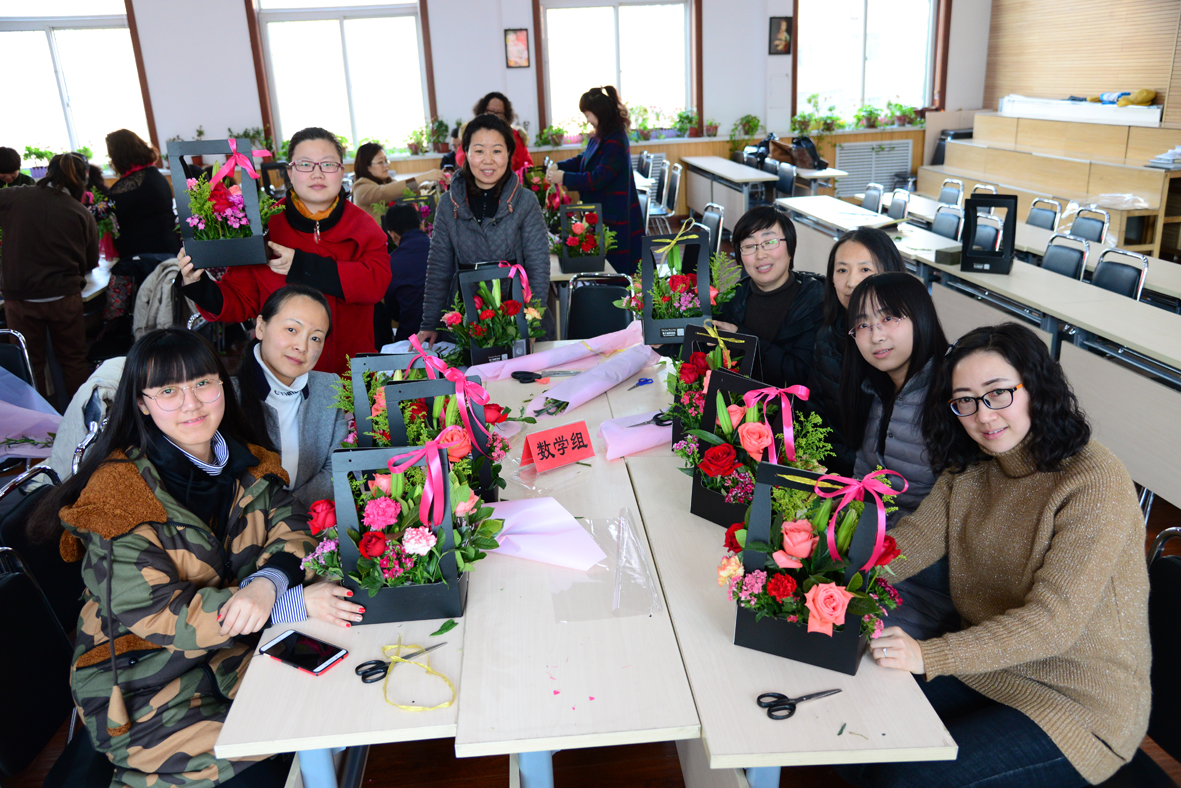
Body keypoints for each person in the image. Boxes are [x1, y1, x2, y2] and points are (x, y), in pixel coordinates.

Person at [28, 328, 364, 788]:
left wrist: (267, 584)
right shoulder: (116, 499)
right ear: (142, 403)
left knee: (346, 702)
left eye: (203, 383)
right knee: (292, 744)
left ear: (222, 386)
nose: (191, 403)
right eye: (168, 390)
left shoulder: (246, 463)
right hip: (148, 686)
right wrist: (291, 603)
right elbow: (170, 618)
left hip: (236, 655)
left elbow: (293, 526)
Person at [844, 322, 1151, 788]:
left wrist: (929, 655)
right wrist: (814, 573)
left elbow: (1053, 623)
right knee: (864, 734)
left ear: (1036, 389)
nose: (983, 415)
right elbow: (903, 548)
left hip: (1076, 703)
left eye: (998, 393)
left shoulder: (1093, 479)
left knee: (909, 777)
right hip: (992, 669)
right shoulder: (971, 469)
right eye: (964, 400)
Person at [179, 126, 391, 375]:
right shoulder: (264, 226)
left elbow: (375, 283)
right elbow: (242, 300)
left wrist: (301, 266)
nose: (317, 173)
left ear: (342, 171)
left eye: (328, 164)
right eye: (304, 164)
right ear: (289, 172)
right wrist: (199, 285)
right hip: (282, 376)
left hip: (350, 373)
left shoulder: (364, 226)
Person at [839, 271, 956, 640]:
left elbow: (953, 532)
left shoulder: (951, 395)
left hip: (926, 580)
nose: (876, 335)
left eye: (889, 318)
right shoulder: (875, 390)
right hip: (874, 561)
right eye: (862, 324)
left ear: (920, 316)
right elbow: (862, 488)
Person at [417, 113, 550, 345]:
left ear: (509, 154)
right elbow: (439, 266)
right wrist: (429, 323)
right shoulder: (449, 204)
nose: (488, 160)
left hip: (516, 316)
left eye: (497, 151)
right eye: (479, 151)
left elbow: (538, 267)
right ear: (465, 153)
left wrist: (531, 323)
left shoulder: (525, 201)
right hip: (467, 321)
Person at [235, 285, 348, 507]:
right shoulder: (227, 394)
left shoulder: (329, 387)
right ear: (260, 327)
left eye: (315, 338)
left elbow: (338, 465)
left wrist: (289, 514)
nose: (302, 346)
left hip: (310, 525)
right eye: (291, 330)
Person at [808, 227, 907, 476]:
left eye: (865, 269)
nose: (851, 283)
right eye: (842, 270)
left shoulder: (907, 341)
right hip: (838, 476)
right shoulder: (827, 338)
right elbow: (816, 415)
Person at [0, 151, 98, 400]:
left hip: (21, 297)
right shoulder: (80, 212)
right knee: (73, 359)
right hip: (64, 297)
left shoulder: (15, 196)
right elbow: (90, 262)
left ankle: (39, 428)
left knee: (30, 365)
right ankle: (82, 421)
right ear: (81, 181)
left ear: (49, 173)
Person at [711, 205, 824, 387]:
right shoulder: (735, 297)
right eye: (749, 246)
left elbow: (801, 375)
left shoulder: (818, 304)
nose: (760, 254)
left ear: (790, 248)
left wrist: (743, 341)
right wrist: (665, 342)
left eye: (770, 242)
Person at [545, 85, 643, 275]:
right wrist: (560, 166)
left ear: (600, 113)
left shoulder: (616, 140)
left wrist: (564, 178)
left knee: (615, 270)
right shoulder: (601, 136)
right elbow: (583, 160)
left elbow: (599, 178)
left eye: (588, 114)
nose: (587, 120)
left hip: (613, 216)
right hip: (603, 211)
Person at [104, 129, 181, 259]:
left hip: (146, 256)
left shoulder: (132, 183)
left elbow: (102, 209)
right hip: (167, 248)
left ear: (119, 155)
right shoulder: (153, 175)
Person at [350, 142, 444, 222]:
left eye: (386, 160)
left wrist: (435, 184)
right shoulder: (360, 187)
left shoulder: (388, 181)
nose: (386, 165)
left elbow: (412, 190)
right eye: (380, 162)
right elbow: (385, 192)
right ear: (367, 167)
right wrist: (425, 176)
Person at [382, 202, 430, 341]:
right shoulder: (444, 250)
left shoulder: (391, 263)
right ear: (421, 225)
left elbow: (393, 312)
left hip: (411, 341)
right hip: (453, 336)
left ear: (392, 235)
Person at [455, 92, 534, 173]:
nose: (495, 115)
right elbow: (461, 158)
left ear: (505, 115)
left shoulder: (514, 136)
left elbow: (526, 165)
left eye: (499, 112)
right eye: (491, 111)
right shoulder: (473, 132)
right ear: (482, 111)